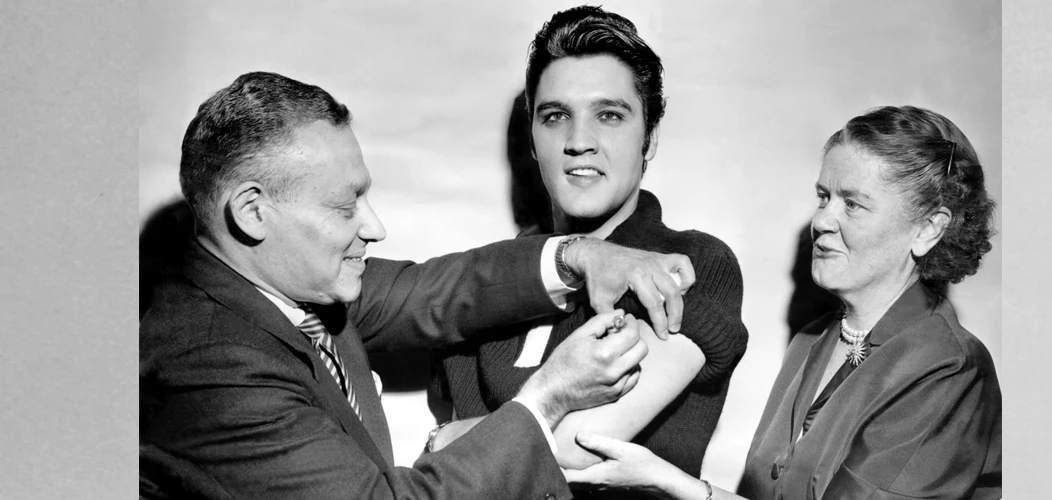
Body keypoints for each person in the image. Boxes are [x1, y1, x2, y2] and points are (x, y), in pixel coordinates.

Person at [139, 71, 701, 499]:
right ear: (252, 212)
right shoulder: (209, 367)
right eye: (344, 206)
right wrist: (547, 399)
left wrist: (581, 254)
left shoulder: (287, 288)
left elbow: (436, 289)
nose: (374, 226)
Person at [564, 106, 1002, 500]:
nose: (821, 221)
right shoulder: (812, 341)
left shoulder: (950, 366)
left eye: (853, 205)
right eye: (823, 197)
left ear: (928, 229)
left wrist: (671, 482)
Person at [430, 5, 748, 482]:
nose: (580, 141)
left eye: (610, 115)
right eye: (556, 116)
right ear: (533, 140)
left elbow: (581, 445)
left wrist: (444, 441)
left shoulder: (692, 262)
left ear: (650, 138)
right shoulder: (493, 277)